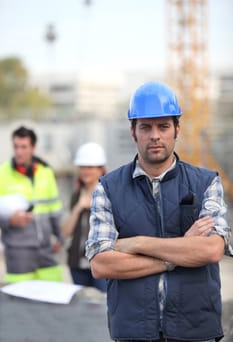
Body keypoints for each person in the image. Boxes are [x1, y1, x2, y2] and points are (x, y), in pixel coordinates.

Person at [86, 81, 232, 342]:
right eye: (146, 127)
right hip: (134, 332)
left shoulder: (206, 182)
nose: (155, 135)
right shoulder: (107, 188)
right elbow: (100, 264)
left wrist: (136, 244)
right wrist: (177, 254)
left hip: (196, 330)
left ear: (177, 129)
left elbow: (211, 250)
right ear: (133, 132)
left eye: (163, 126)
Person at [0, 126, 64, 283]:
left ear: (33, 148)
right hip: (18, 252)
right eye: (16, 146)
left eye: (23, 147)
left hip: (45, 249)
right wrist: (9, 220)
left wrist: (60, 237)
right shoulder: (3, 174)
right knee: (20, 302)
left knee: (54, 294)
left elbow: (54, 209)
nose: (19, 152)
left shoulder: (46, 172)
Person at [62, 142, 107, 292]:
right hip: (77, 264)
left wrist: (96, 206)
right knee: (82, 309)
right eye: (82, 167)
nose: (85, 171)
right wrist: (78, 208)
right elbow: (65, 232)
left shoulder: (110, 194)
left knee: (103, 305)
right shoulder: (76, 196)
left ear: (100, 169)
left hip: (102, 263)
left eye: (90, 167)